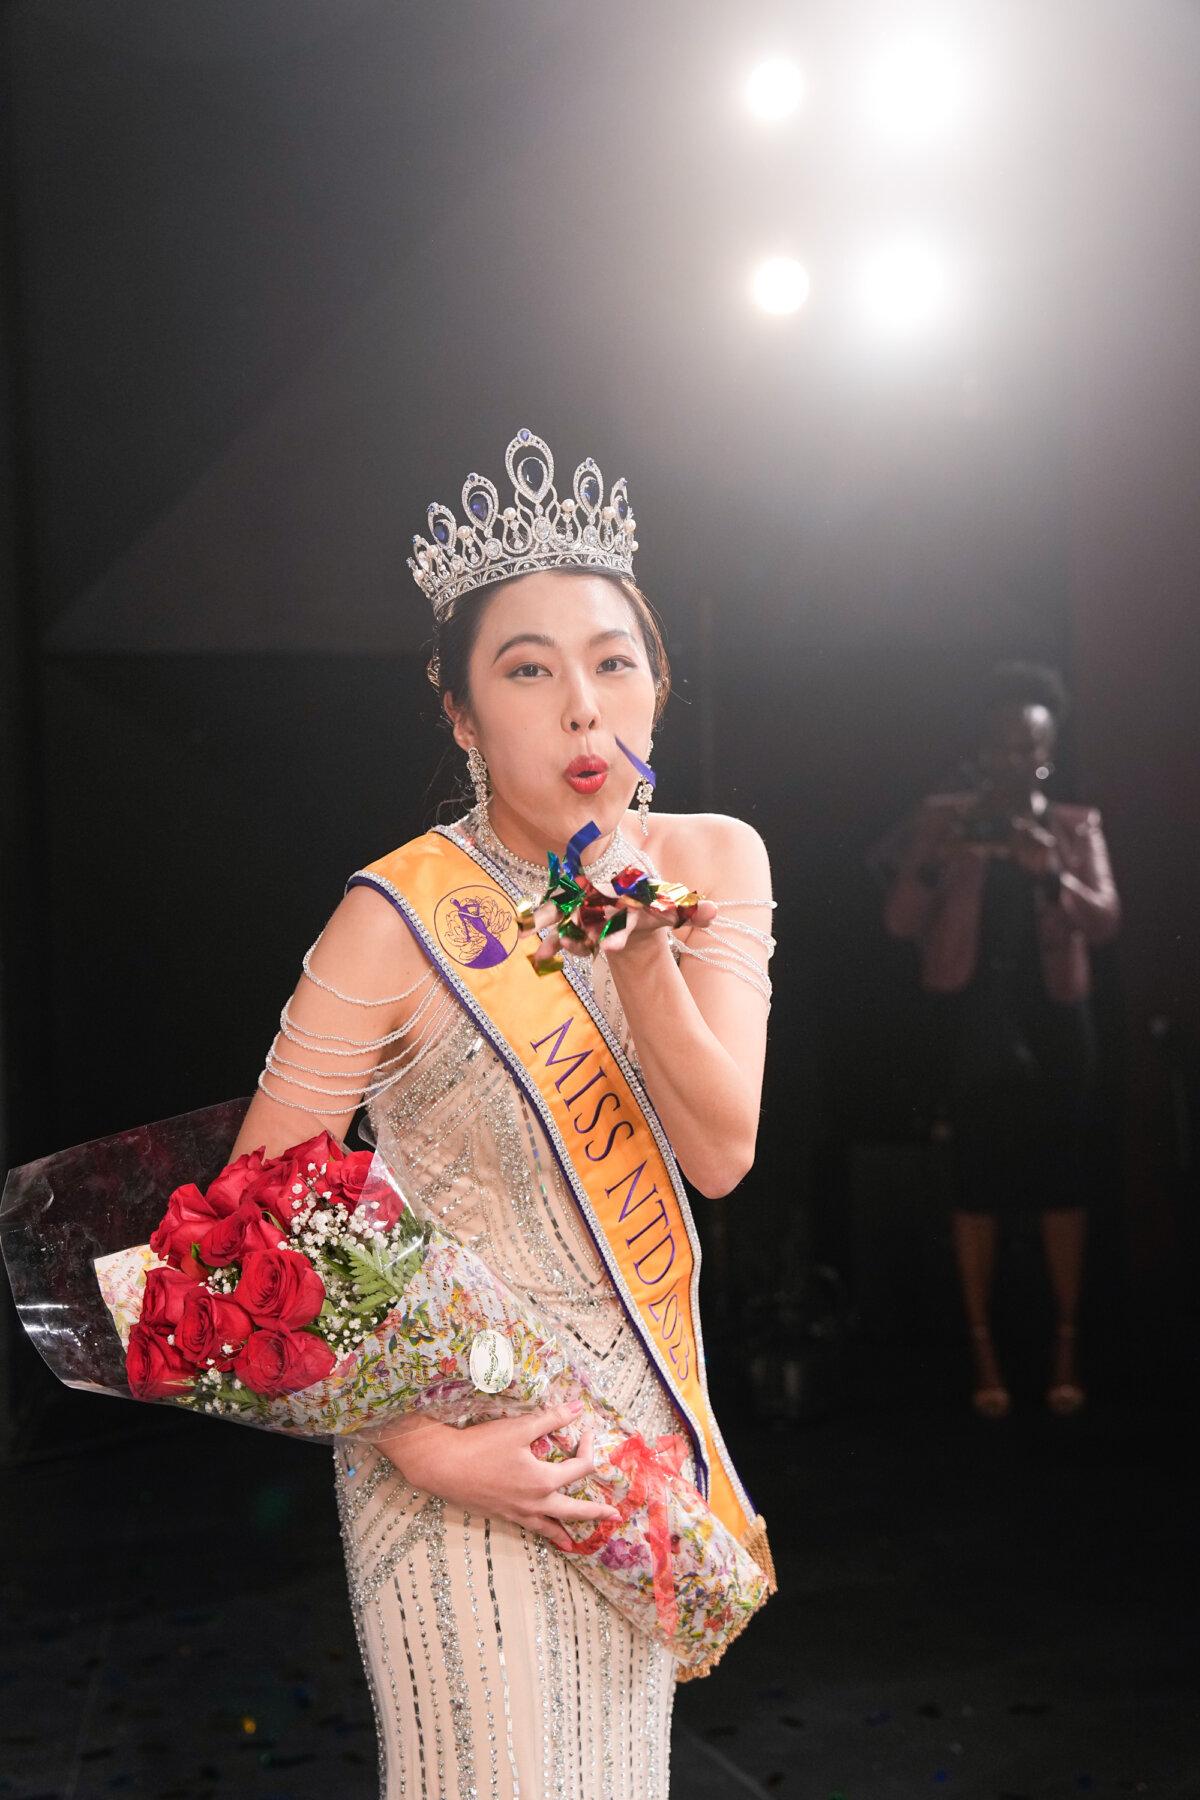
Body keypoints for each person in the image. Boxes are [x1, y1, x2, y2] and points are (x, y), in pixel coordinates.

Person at [224, 429, 777, 1799]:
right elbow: (243, 1234)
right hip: (456, 1455)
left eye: (613, 662)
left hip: (632, 1448)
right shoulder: (392, 917)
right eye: (528, 670)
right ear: (461, 714)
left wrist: (636, 941)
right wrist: (426, 1446)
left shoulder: (712, 863)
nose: (583, 708)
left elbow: (719, 1153)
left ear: (656, 687)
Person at [873, 661, 1120, 1419]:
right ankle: (985, 1358)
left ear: (1049, 752)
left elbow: (1105, 921)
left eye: (1030, 749)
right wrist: (935, 856)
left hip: (1055, 1019)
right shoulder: (946, 817)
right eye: (1003, 748)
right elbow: (899, 924)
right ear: (984, 749)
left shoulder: (1074, 825)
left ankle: (1065, 1351)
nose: (1016, 761)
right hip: (974, 1017)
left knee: (1062, 1185)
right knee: (976, 1186)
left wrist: (1051, 873)